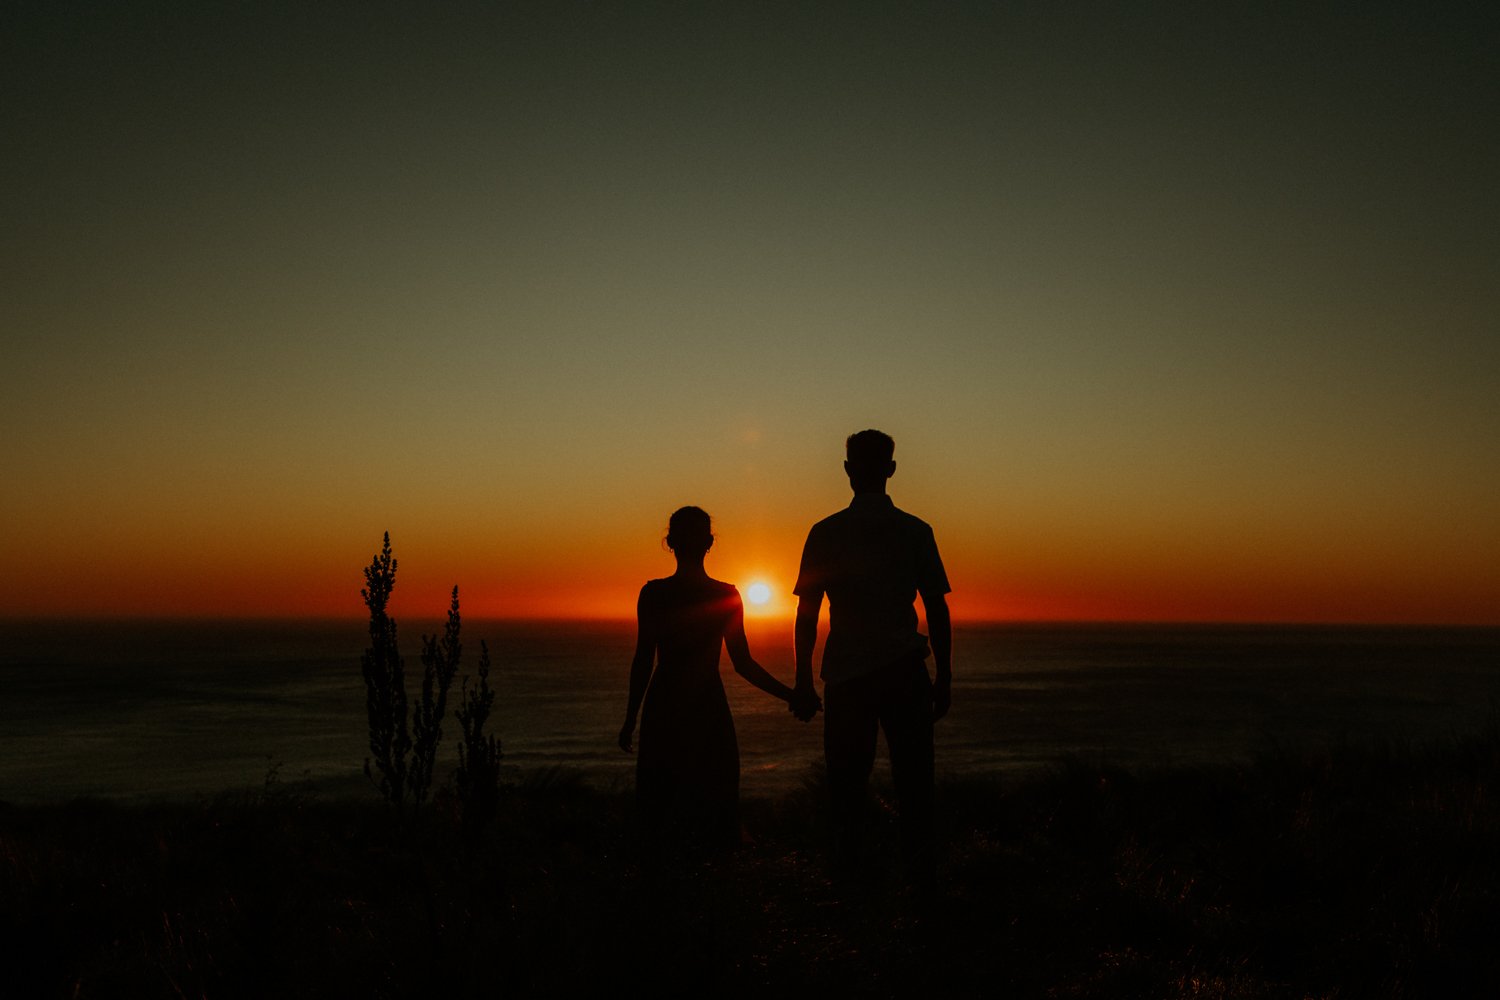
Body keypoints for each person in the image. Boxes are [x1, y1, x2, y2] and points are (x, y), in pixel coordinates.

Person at [792, 429, 952, 882]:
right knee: (916, 783)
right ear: (891, 469)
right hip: (905, 671)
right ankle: (921, 883)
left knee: (845, 786)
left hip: (846, 675)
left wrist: (804, 679)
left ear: (847, 471)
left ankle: (848, 881)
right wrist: (944, 675)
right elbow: (936, 607)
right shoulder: (915, 531)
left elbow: (807, 612)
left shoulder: (826, 532)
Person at [619, 506, 818, 853]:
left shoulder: (653, 594)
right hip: (707, 705)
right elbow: (743, 664)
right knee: (714, 795)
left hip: (664, 703)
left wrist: (630, 718)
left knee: (662, 799)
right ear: (709, 543)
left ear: (670, 542)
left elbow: (643, 660)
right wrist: (791, 695)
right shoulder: (725, 595)